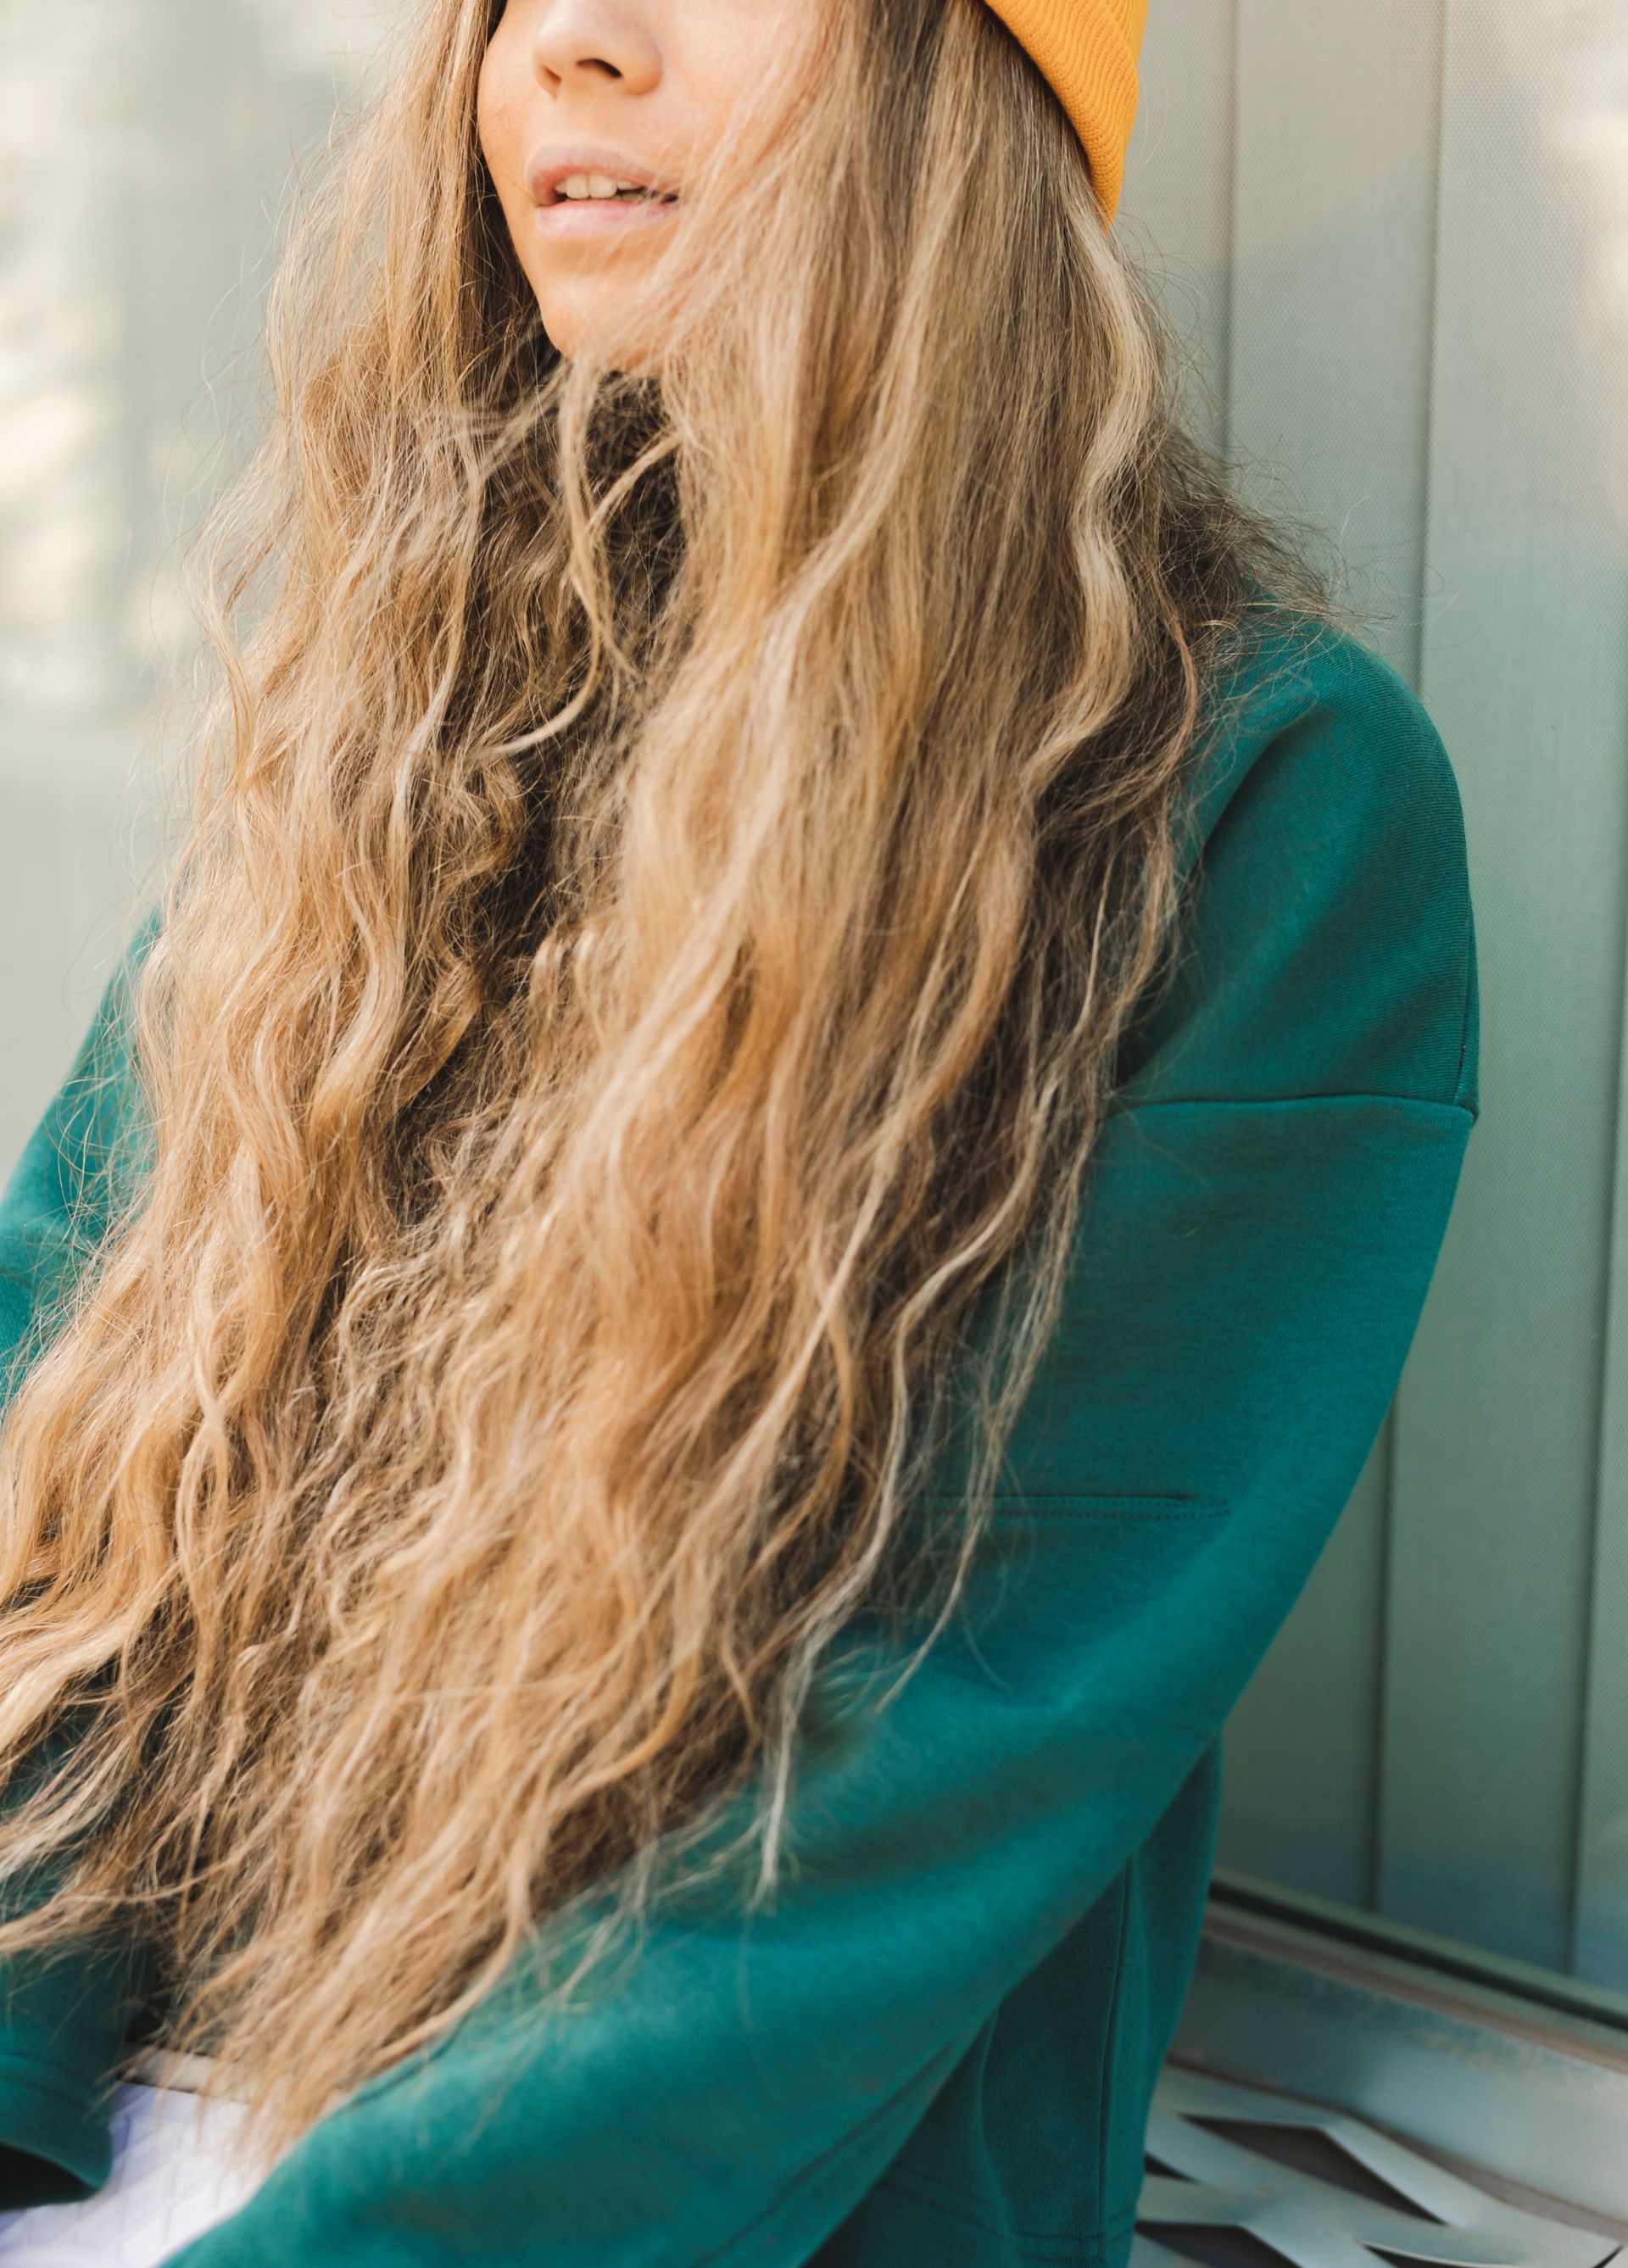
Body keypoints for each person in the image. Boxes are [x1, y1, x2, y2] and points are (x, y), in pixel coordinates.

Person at [0, 0, 1480, 2262]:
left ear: (972, 79)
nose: (568, 47)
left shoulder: (1254, 803)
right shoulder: (381, 735)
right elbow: (60, 1497)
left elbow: (941, 1748)